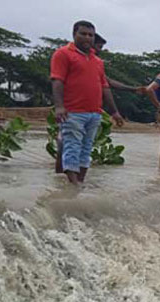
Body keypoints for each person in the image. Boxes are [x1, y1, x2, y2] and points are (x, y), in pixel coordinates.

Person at [50, 20, 124, 185]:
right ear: (74, 34)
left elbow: (104, 87)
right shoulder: (63, 54)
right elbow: (57, 81)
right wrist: (59, 106)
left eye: (90, 35)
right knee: (72, 147)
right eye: (83, 34)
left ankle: (79, 183)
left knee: (86, 149)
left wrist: (114, 112)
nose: (87, 38)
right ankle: (73, 184)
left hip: (94, 113)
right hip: (73, 112)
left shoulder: (97, 62)